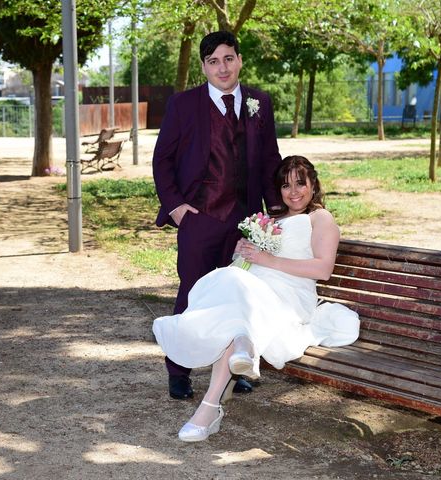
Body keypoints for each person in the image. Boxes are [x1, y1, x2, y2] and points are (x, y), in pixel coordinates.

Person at [152, 156, 360, 442]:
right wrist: (244, 252)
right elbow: (255, 261)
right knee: (236, 296)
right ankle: (234, 362)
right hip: (258, 290)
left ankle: (210, 406)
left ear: (314, 185)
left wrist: (267, 259)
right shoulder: (271, 220)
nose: (294, 191)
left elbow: (323, 269)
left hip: (290, 297)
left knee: (238, 306)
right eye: (286, 185)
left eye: (301, 183)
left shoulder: (320, 218)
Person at [152, 30, 283, 400]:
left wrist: (275, 213)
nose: (222, 67)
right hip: (200, 217)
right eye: (213, 61)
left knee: (238, 296)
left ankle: (232, 368)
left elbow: (270, 158)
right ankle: (178, 370)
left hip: (244, 222)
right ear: (204, 67)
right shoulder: (183, 104)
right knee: (191, 295)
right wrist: (177, 208)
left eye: (228, 58)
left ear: (239, 60)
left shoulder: (260, 102)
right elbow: (162, 160)